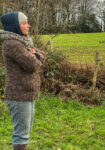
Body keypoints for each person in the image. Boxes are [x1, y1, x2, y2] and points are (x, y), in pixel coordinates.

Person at [1, 12, 46, 150]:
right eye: (24, 23)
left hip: (27, 93)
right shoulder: (12, 44)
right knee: (21, 134)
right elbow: (32, 65)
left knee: (25, 132)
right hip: (19, 95)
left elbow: (42, 55)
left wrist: (35, 55)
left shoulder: (23, 41)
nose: (28, 25)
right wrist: (35, 56)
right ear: (15, 26)